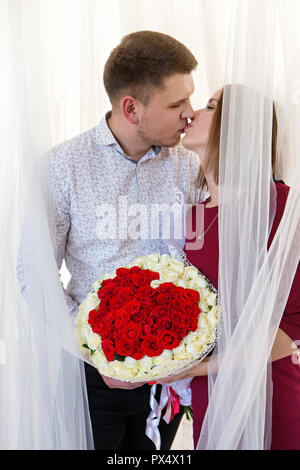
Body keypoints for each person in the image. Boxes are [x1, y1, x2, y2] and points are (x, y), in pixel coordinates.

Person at [21, 30, 203, 450]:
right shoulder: (62, 168)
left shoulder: (191, 165)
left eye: (191, 100)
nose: (189, 114)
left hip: (171, 374)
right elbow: (33, 274)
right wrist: (94, 353)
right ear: (130, 108)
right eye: (177, 104)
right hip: (92, 375)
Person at [157, 85, 300, 450]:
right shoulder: (191, 216)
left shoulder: (283, 207)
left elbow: (290, 330)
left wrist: (194, 369)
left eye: (209, 106)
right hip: (211, 395)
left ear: (237, 127)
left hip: (271, 392)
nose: (191, 114)